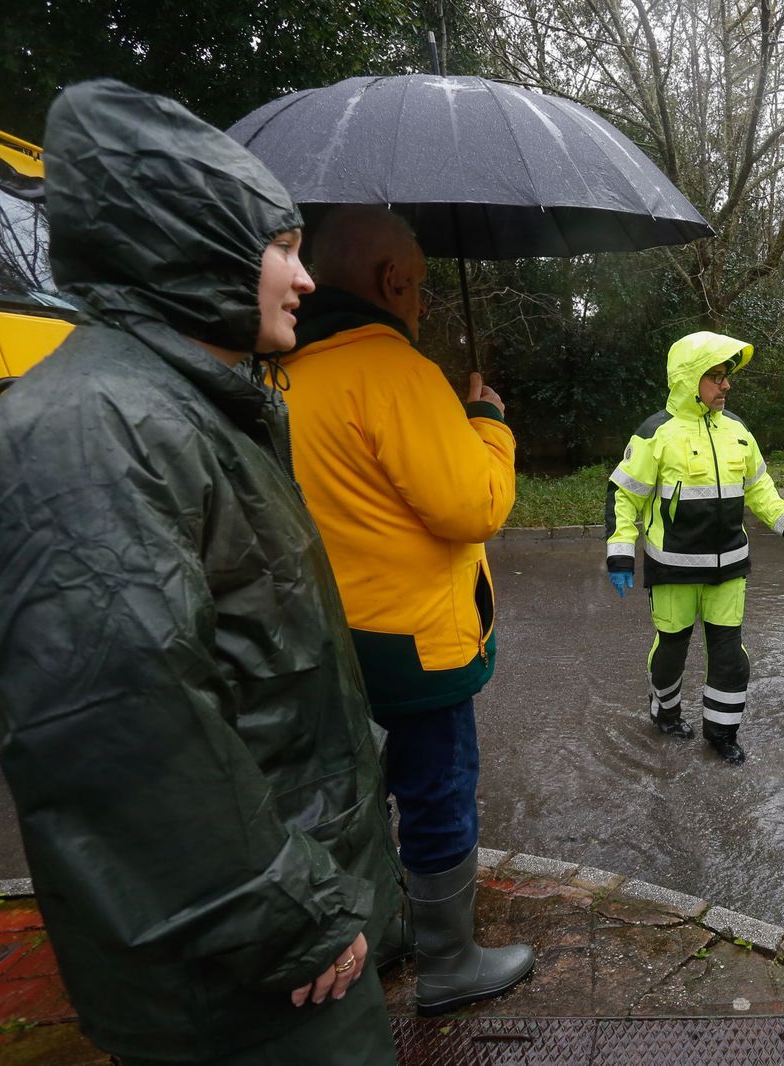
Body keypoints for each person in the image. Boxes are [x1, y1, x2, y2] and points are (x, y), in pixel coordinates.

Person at [0, 81, 401, 1064]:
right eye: (283, 248)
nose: (302, 280)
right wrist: (288, 917)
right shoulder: (88, 435)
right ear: (194, 241)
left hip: (275, 930)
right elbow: (124, 741)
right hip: (239, 966)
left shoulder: (195, 411)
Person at [277, 204, 532, 1016]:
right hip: (416, 645)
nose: (420, 302)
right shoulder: (395, 371)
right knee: (437, 790)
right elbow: (473, 508)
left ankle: (374, 931)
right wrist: (489, 426)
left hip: (327, 633)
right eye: (418, 286)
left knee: (353, 791)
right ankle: (452, 961)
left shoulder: (285, 372)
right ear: (392, 280)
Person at [604, 332, 784, 764]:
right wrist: (621, 554)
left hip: (729, 571)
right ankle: (665, 711)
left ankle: (722, 733)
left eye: (727, 377)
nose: (726, 386)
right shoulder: (656, 434)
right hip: (673, 572)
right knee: (670, 653)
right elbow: (624, 496)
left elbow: (761, 490)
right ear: (689, 379)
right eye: (716, 377)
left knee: (729, 658)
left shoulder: (738, 431)